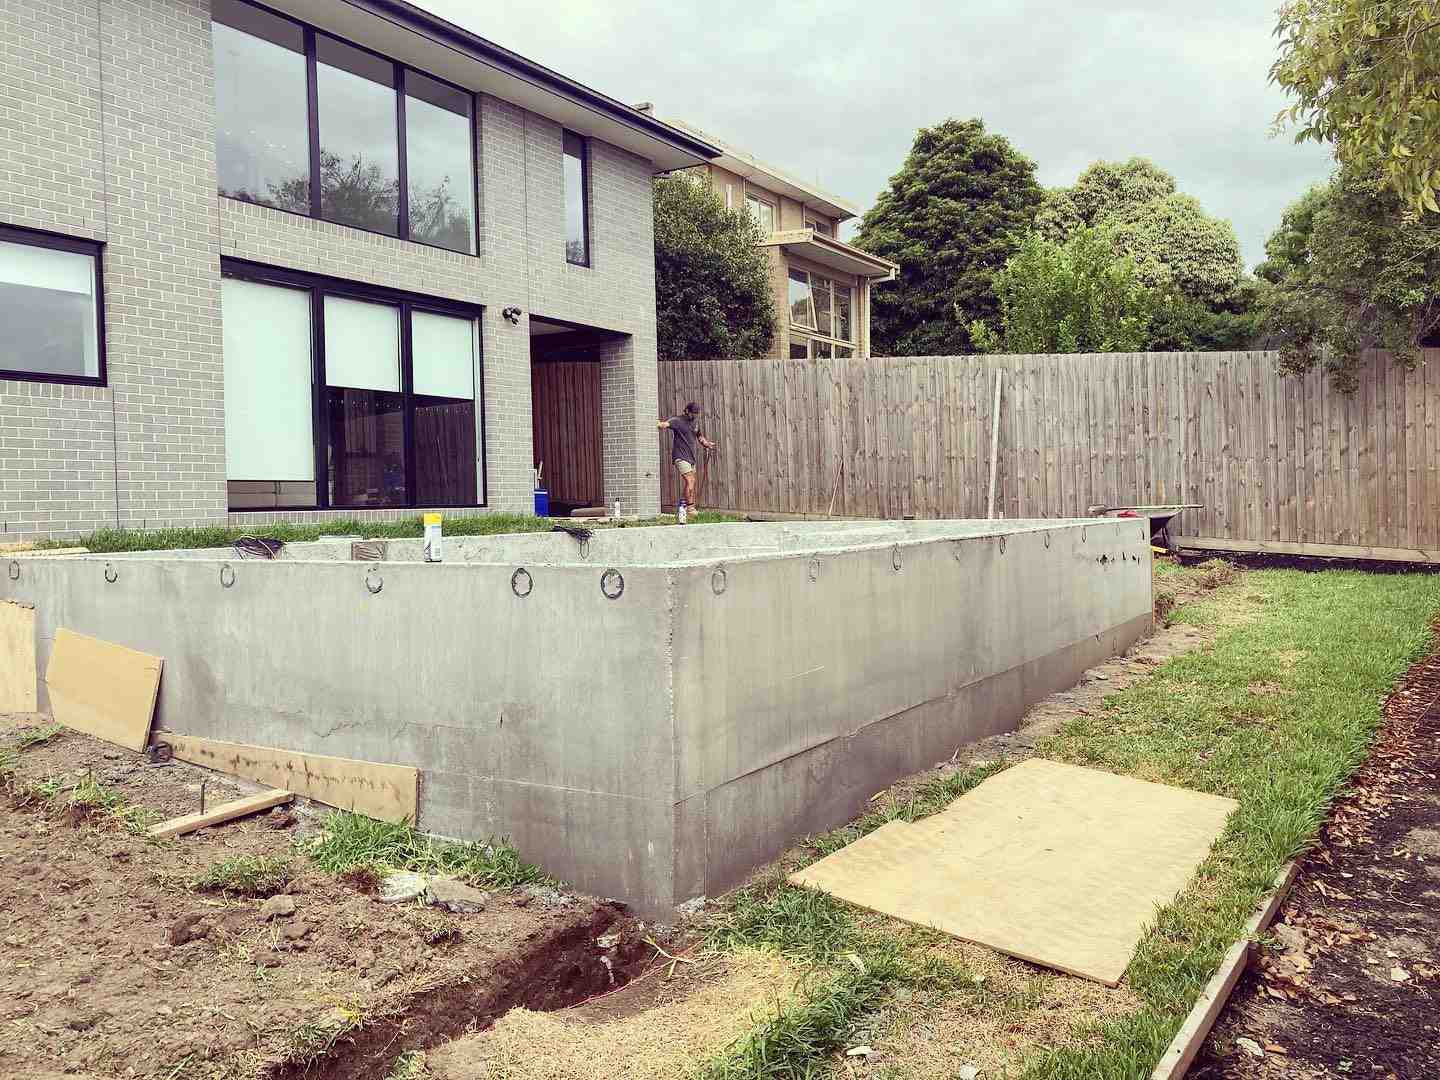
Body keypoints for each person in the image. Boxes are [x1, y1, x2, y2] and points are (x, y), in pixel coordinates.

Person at [657, 402, 717, 512]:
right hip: (680, 456)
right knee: (690, 480)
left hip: (691, 457)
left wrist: (707, 444)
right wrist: (657, 423)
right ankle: (690, 508)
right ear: (687, 411)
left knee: (692, 482)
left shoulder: (695, 423)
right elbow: (664, 425)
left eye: (696, 414)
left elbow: (699, 436)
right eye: (693, 413)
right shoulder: (677, 420)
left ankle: (684, 507)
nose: (694, 416)